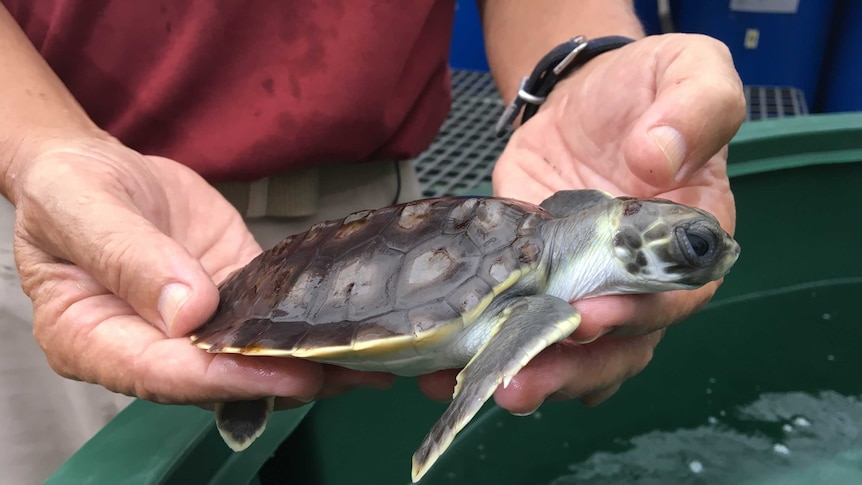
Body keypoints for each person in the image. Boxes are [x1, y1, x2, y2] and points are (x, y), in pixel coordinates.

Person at [0, 1, 745, 483]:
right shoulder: (543, 306)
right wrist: (35, 150)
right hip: (71, 208)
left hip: (384, 213)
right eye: (692, 251)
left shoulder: (554, 238)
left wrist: (580, 70)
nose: (713, 262)